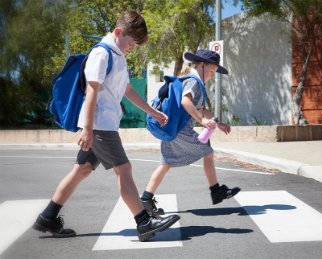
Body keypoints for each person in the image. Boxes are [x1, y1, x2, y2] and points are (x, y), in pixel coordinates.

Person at [32, 11, 179, 242]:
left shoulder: (117, 54)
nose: (133, 48)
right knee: (124, 169)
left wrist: (153, 112)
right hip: (100, 125)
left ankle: (48, 217)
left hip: (103, 124)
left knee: (82, 170)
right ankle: (144, 222)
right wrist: (88, 129)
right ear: (119, 32)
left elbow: (127, 90)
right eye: (131, 42)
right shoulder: (102, 54)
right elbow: (92, 91)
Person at [141, 49, 241, 216]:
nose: (211, 75)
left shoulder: (192, 81)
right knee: (207, 152)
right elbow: (186, 101)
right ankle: (216, 191)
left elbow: (201, 109)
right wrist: (202, 121)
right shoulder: (193, 81)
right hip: (180, 130)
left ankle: (146, 198)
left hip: (172, 128)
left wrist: (218, 122)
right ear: (201, 65)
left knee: (165, 163)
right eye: (211, 71)